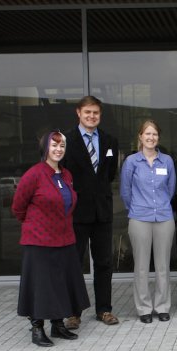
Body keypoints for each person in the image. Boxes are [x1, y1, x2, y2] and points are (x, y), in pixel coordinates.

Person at [13, 131, 91, 347]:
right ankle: (37, 327)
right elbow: (18, 207)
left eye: (62, 146)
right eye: (54, 146)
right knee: (41, 285)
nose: (58, 150)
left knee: (60, 283)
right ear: (45, 148)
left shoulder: (66, 175)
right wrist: (35, 225)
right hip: (39, 241)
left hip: (64, 238)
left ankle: (58, 325)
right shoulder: (34, 174)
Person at [63, 96, 119, 329]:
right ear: (78, 113)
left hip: (102, 213)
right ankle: (73, 313)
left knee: (104, 263)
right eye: (87, 112)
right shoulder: (67, 140)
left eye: (95, 112)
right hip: (76, 213)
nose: (91, 116)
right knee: (75, 262)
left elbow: (110, 174)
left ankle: (104, 309)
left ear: (100, 114)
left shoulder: (109, 141)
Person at [120, 120, 176, 324]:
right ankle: (143, 308)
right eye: (147, 134)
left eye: (154, 134)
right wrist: (137, 208)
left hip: (163, 217)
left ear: (158, 138)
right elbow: (125, 191)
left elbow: (170, 189)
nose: (151, 138)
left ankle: (162, 306)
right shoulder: (131, 162)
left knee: (163, 266)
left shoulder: (167, 161)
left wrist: (159, 205)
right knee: (141, 266)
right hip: (139, 217)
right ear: (140, 137)